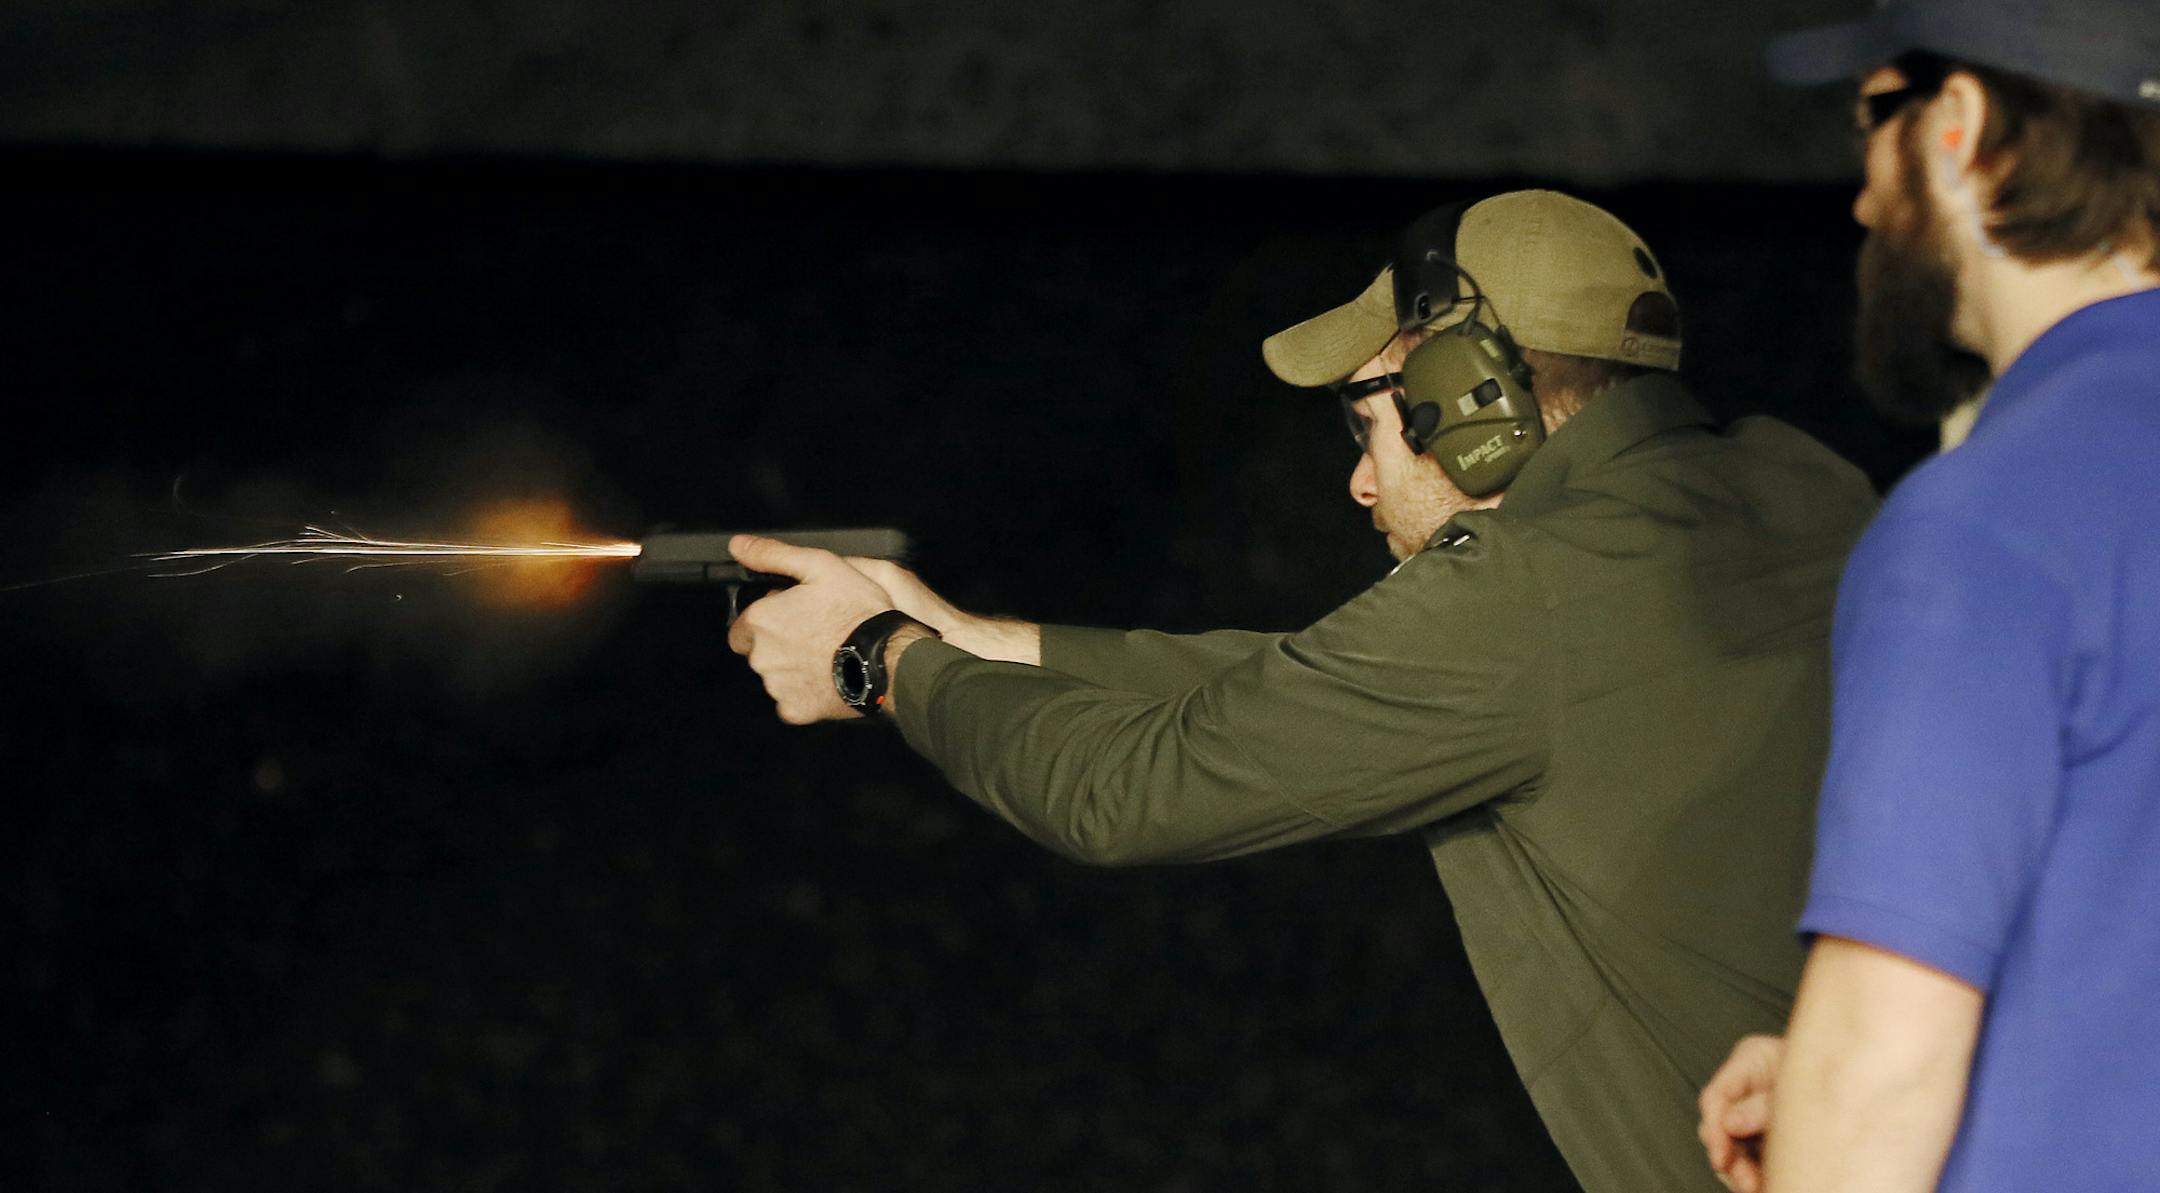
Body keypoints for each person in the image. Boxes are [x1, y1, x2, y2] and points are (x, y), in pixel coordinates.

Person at [728, 189, 1878, 1193]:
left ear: (1471, 401)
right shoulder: (1796, 483)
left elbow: (1118, 793)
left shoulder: (1519, 598)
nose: (1360, 478)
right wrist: (965, 637)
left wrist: (877, 659)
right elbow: (1325, 683)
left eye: (1369, 416)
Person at [1696, 4, 2160, 1192]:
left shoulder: (1985, 524)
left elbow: (1885, 1063)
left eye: (1872, 121)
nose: (1860, 199)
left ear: (1958, 128)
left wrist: (1835, 1099)